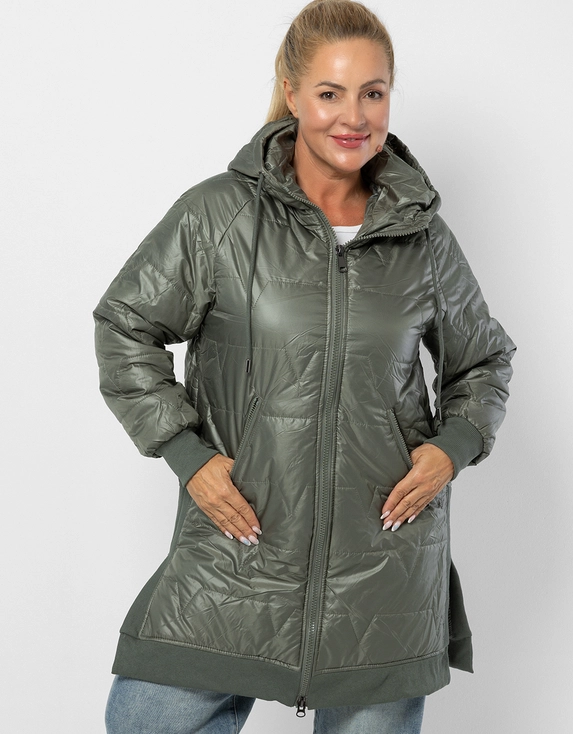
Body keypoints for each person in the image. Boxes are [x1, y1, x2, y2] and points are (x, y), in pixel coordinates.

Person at [94, 1, 516, 731]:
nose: (353, 116)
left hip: (382, 572)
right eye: (330, 92)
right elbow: (125, 326)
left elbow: (484, 359)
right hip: (236, 554)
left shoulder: (422, 240)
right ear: (292, 94)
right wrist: (189, 455)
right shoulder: (219, 216)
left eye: (373, 92)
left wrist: (452, 448)